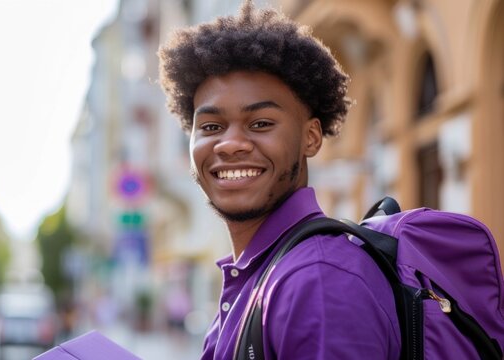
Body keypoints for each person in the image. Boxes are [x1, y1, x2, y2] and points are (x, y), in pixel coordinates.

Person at [157, 1, 400, 359]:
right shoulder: (263, 273)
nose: (230, 144)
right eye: (210, 127)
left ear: (311, 137)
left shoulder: (318, 279)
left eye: (260, 124)